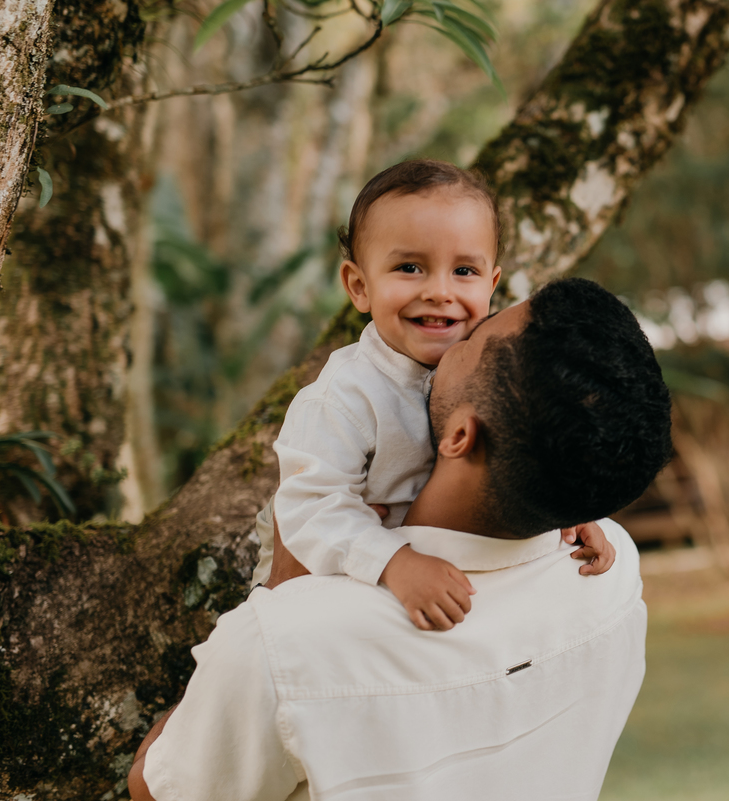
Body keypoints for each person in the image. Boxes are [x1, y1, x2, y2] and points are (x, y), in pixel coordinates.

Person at [128, 277, 675, 801]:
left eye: (477, 338)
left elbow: (158, 790)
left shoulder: (287, 643)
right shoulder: (614, 575)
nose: (460, 327)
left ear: (461, 436)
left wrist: (280, 589)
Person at [259, 159, 612, 632]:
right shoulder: (344, 397)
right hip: (343, 588)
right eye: (410, 267)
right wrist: (395, 562)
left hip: (453, 584)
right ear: (360, 286)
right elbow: (308, 509)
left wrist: (564, 514)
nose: (440, 291)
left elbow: (530, 453)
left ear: (492, 284)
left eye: (464, 270)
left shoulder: (497, 374)